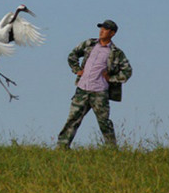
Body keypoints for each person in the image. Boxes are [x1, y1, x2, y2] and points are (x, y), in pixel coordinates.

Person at [57, 19, 133, 149]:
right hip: (82, 89)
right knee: (72, 120)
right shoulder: (89, 44)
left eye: (105, 29)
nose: (102, 31)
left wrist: (111, 79)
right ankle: (62, 148)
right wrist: (77, 70)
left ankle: (111, 150)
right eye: (101, 28)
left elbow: (127, 71)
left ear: (112, 33)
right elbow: (73, 55)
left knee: (104, 122)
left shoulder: (116, 53)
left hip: (100, 92)